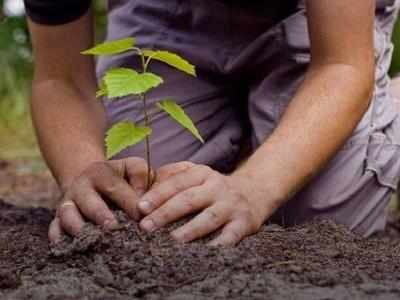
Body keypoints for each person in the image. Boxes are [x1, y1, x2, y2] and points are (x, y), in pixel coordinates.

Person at [24, 0, 400, 246]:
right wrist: (82, 173)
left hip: (317, 17)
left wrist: (254, 188)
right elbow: (61, 79)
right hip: (165, 10)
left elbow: (341, 64)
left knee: (315, 223)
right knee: (138, 201)